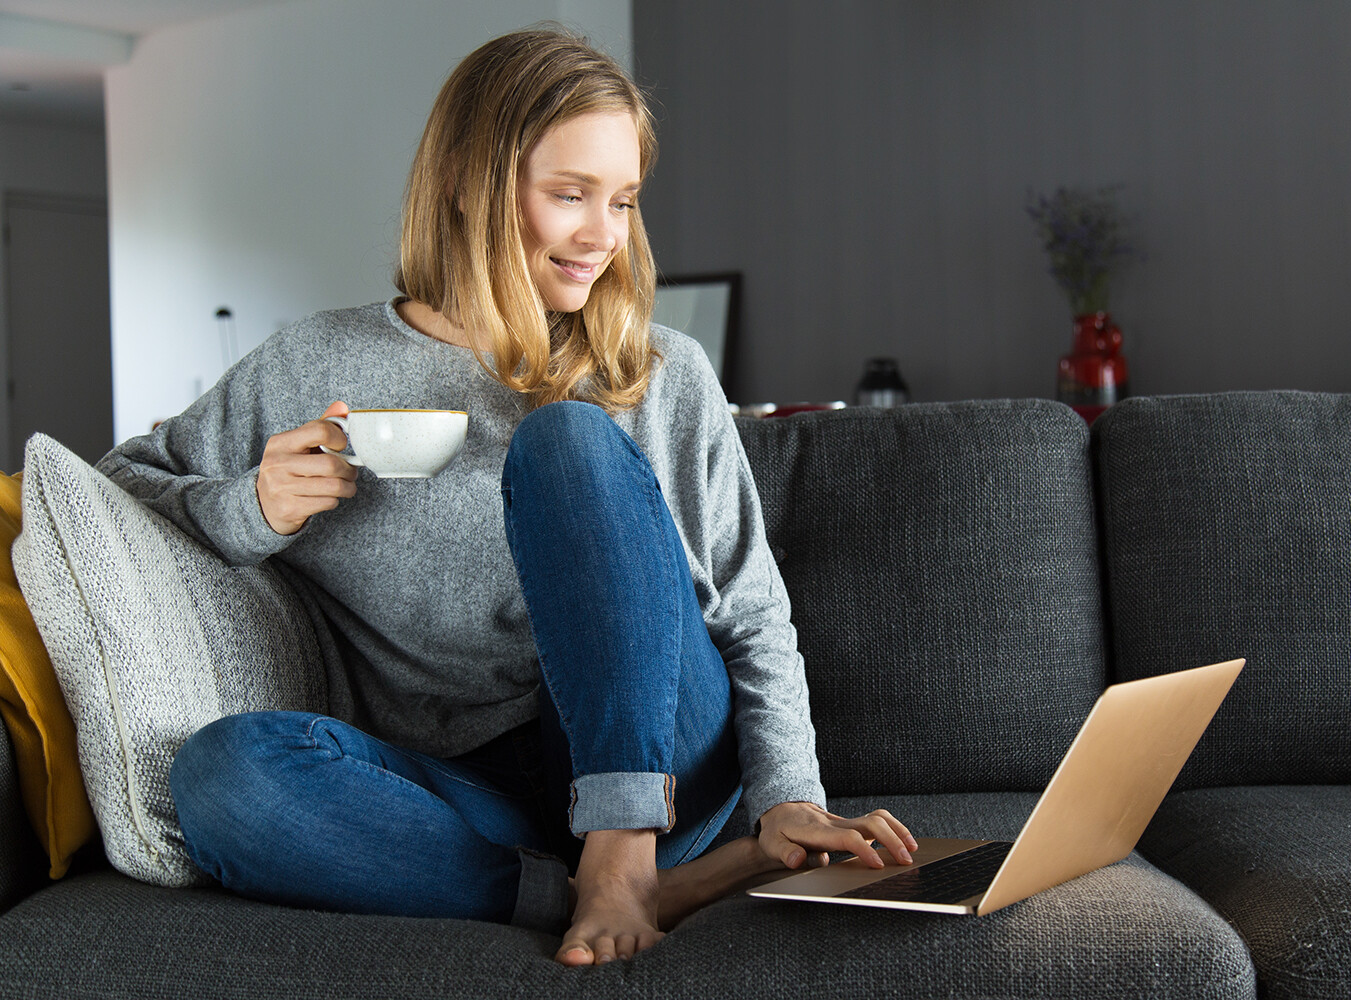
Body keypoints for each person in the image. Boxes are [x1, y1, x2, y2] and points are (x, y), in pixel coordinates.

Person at [98, 26, 917, 966]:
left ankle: (625, 857)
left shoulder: (658, 373)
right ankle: (596, 893)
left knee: (567, 437)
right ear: (469, 186)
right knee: (221, 778)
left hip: (670, 764)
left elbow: (752, 612)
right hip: (472, 793)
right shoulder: (314, 364)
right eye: (570, 196)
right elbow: (122, 483)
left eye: (621, 201)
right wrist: (253, 505)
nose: (602, 236)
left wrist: (789, 800)